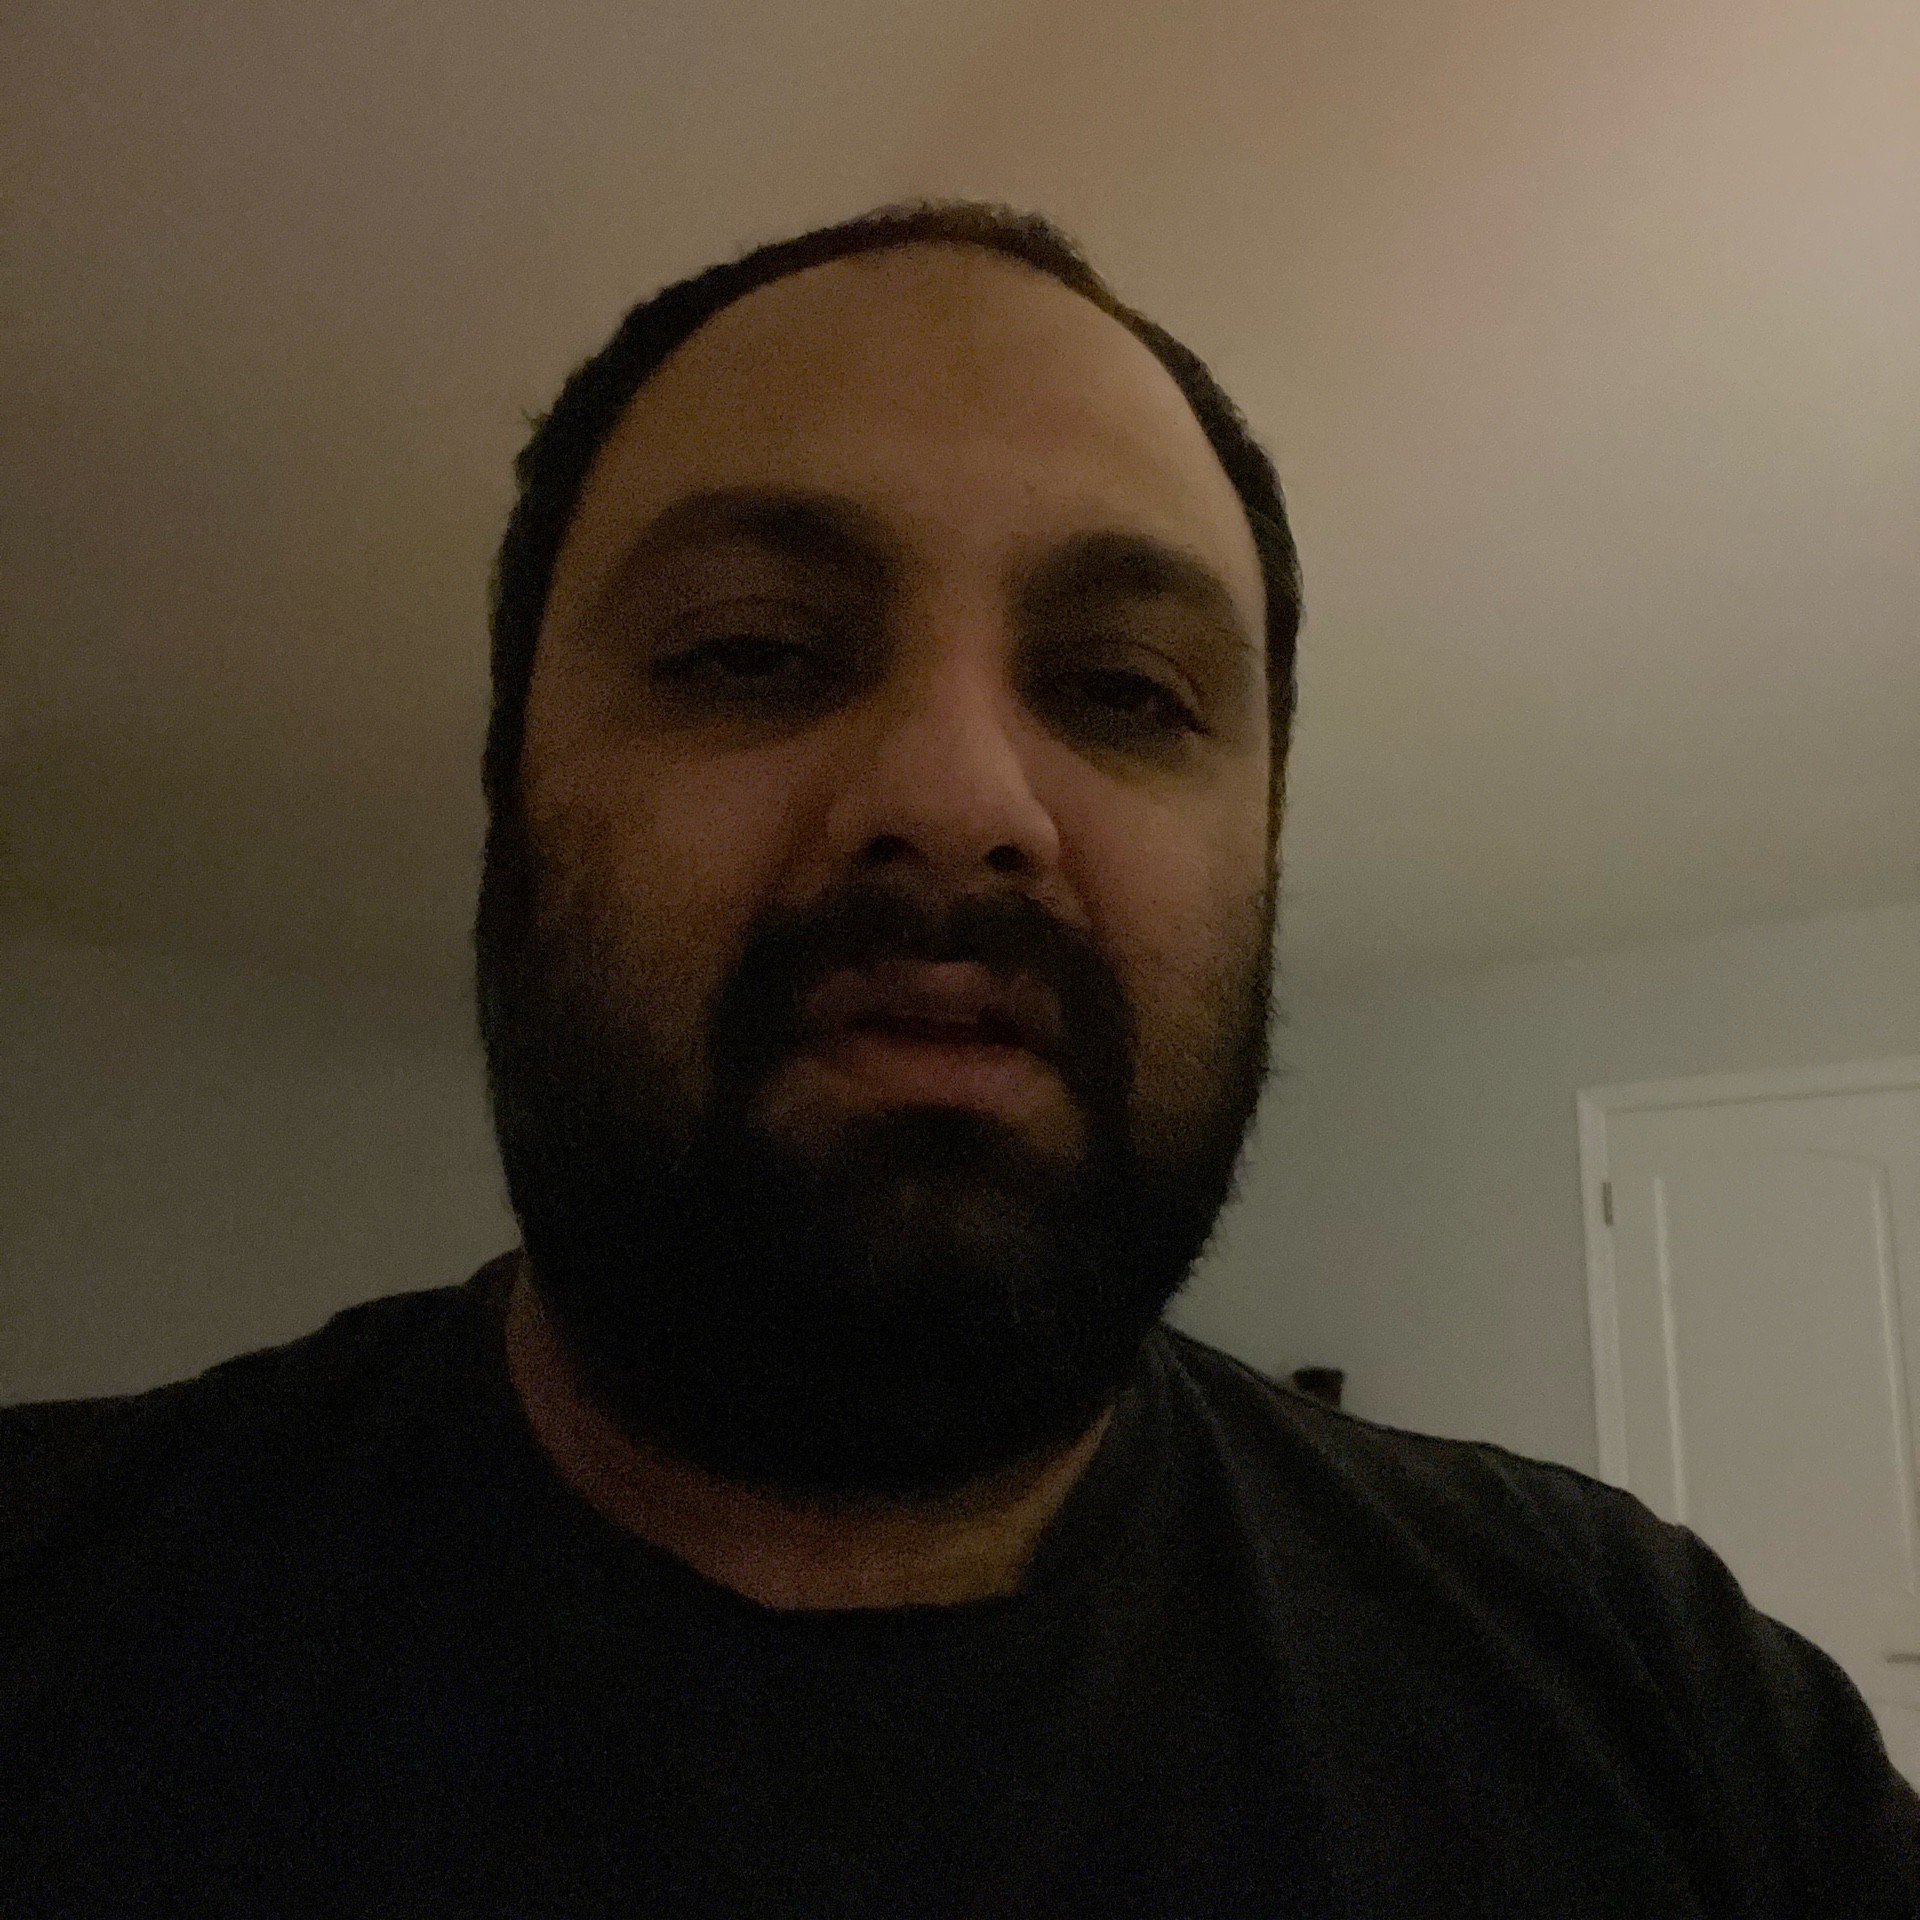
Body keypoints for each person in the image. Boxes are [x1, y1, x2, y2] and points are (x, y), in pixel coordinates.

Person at [3, 200, 1914, 1917]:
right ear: (515, 797)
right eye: (753, 650)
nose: (958, 796)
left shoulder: (1656, 1703)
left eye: (1123, 689)